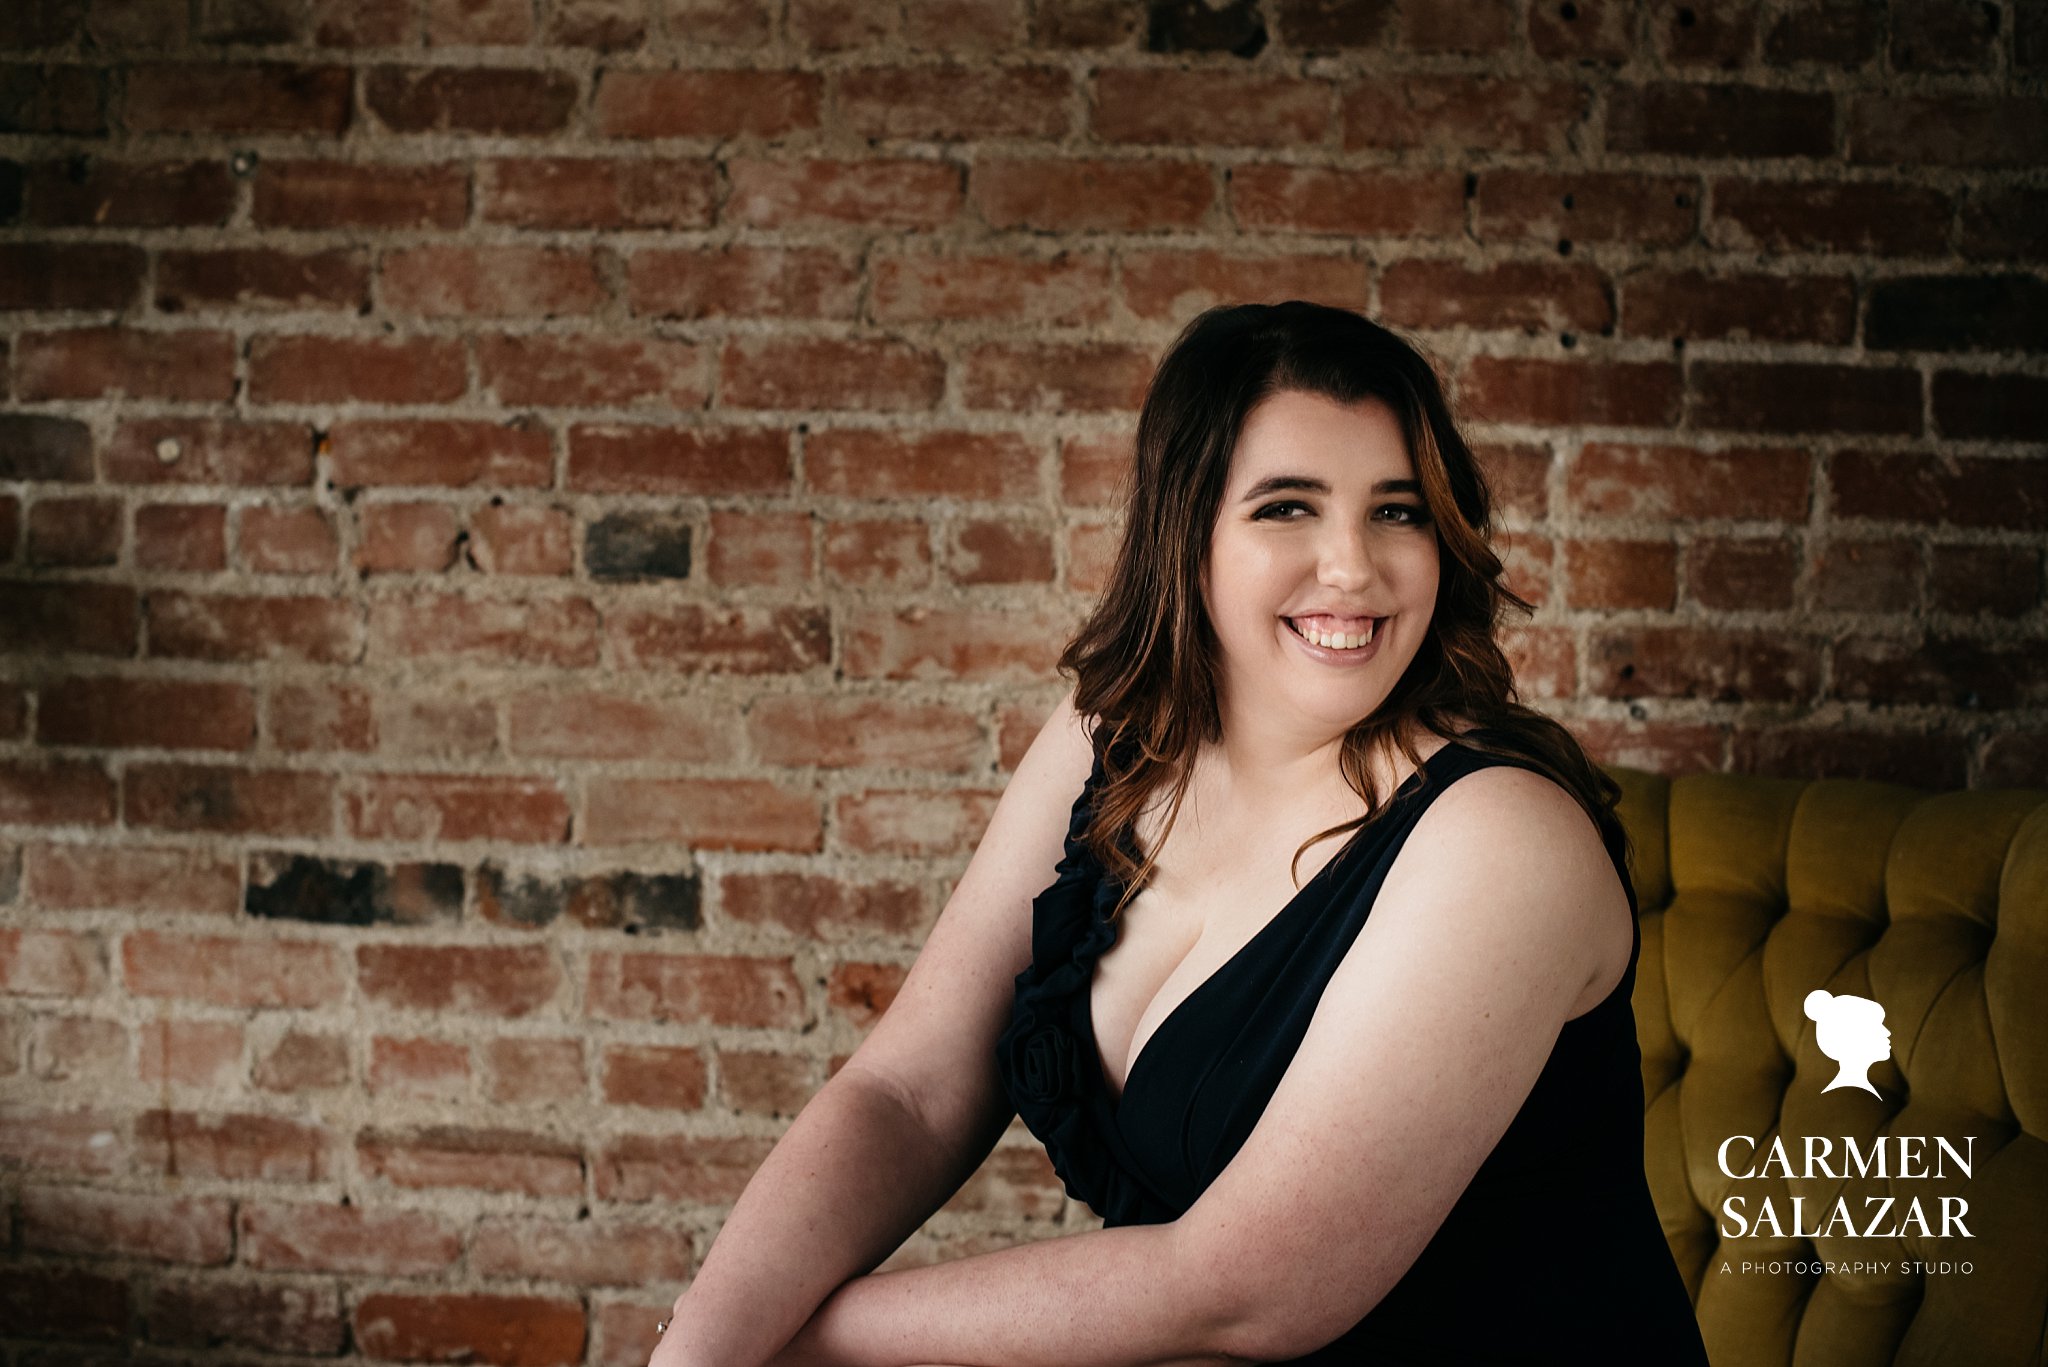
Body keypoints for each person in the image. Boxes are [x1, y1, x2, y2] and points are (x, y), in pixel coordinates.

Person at [649, 302, 1709, 1366]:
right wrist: (702, 1343)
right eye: (1287, 506)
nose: (1350, 567)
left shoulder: (1498, 837)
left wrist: (804, 1340)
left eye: (1396, 512)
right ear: (1184, 529)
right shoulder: (1111, 738)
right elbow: (910, 1091)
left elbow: (1246, 1290)